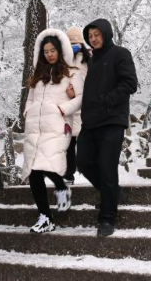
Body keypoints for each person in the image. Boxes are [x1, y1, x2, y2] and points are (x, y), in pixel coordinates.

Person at [77, 19, 138, 237]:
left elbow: (130, 83)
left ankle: (107, 218)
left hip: (112, 120)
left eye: (96, 34)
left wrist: (107, 99)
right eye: (90, 36)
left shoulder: (121, 54)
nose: (93, 39)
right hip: (91, 121)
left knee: (107, 166)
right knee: (83, 161)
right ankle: (110, 193)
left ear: (106, 33)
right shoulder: (92, 61)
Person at [22, 29, 84, 233]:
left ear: (61, 50)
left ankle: (60, 186)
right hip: (36, 127)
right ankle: (46, 216)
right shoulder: (38, 76)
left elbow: (80, 99)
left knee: (44, 164)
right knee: (33, 171)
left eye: (53, 50)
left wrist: (63, 108)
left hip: (57, 126)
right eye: (45, 51)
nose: (49, 54)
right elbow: (31, 98)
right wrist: (27, 111)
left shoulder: (71, 73)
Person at [63, 26, 90, 185]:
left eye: (77, 43)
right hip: (68, 108)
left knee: (85, 143)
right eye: (70, 44)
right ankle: (68, 175)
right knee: (68, 144)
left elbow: (93, 82)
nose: (74, 46)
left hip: (85, 107)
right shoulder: (62, 61)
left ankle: (88, 171)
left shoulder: (88, 61)